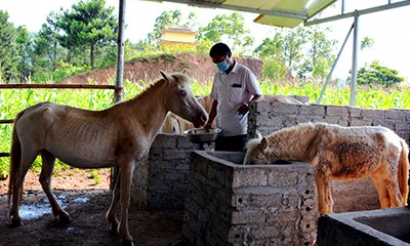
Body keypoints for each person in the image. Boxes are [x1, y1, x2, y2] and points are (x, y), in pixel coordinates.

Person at [204, 42, 263, 152]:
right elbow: (216, 101)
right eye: (215, 62)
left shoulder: (244, 73)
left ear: (229, 55)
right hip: (220, 130)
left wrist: (248, 105)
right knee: (220, 162)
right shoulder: (218, 76)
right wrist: (209, 120)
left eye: (220, 60)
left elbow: (259, 96)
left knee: (235, 162)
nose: (218, 64)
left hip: (239, 130)